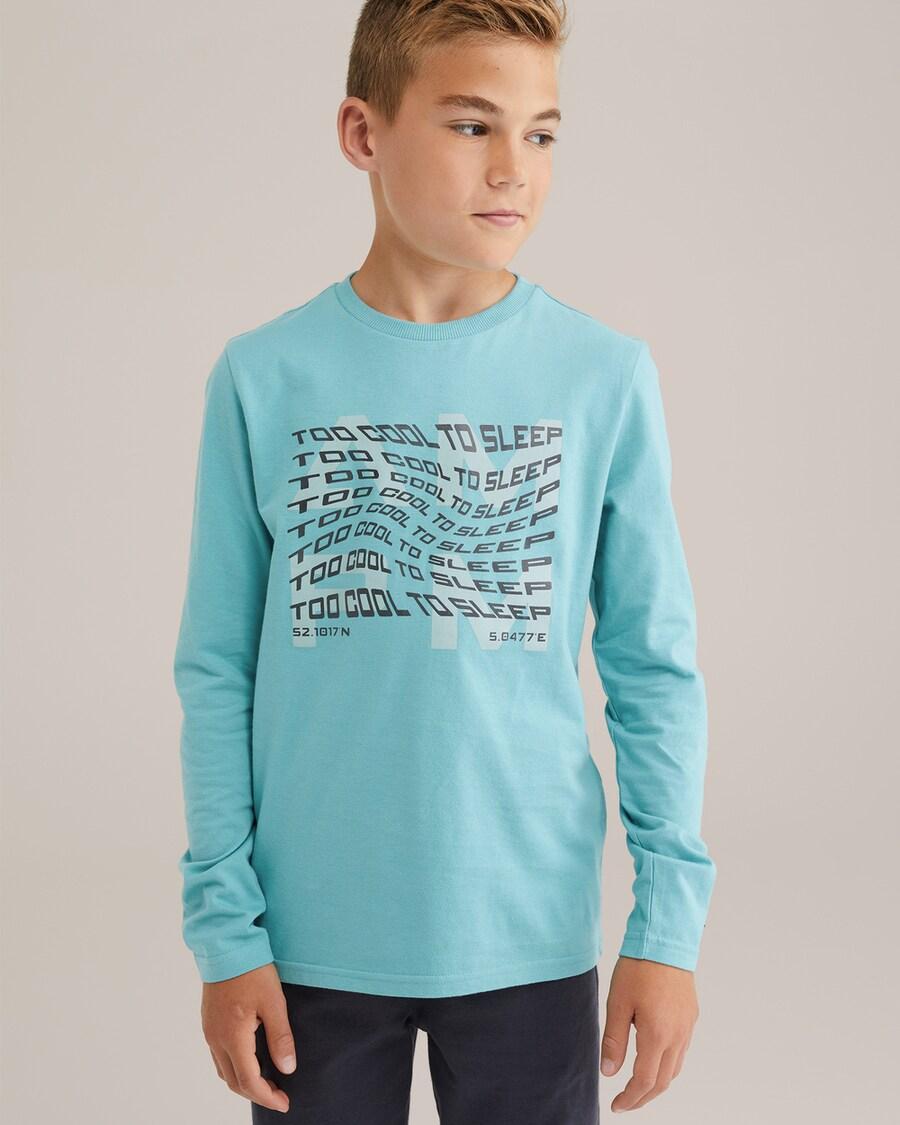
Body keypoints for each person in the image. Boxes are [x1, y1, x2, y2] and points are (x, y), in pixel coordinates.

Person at [172, 1, 717, 1120]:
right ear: (362, 132)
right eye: (472, 125)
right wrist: (227, 933)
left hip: (527, 932)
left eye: (542, 132)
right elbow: (217, 669)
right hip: (308, 943)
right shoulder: (264, 378)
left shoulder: (602, 377)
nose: (513, 167)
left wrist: (667, 931)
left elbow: (653, 667)